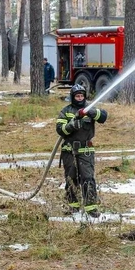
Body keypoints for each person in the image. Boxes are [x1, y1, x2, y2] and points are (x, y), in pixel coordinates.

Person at [55, 84, 108, 217]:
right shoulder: (65, 111)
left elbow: (103, 117)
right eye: (77, 96)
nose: (80, 98)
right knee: (71, 178)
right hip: (69, 150)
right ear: (72, 97)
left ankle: (91, 207)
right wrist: (71, 125)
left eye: (82, 96)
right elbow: (60, 129)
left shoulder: (90, 109)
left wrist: (90, 112)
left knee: (88, 177)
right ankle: (73, 206)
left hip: (86, 150)